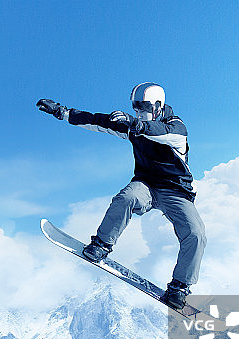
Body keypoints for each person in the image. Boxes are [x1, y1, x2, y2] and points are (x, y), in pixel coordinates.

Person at [36, 82, 206, 309]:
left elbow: (158, 132)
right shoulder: (133, 127)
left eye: (143, 107)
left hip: (176, 192)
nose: (138, 112)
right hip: (146, 185)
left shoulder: (176, 128)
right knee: (126, 198)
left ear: (157, 106)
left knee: (196, 234)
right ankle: (102, 244)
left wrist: (134, 123)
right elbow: (96, 121)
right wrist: (62, 112)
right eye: (135, 107)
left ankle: (180, 287)